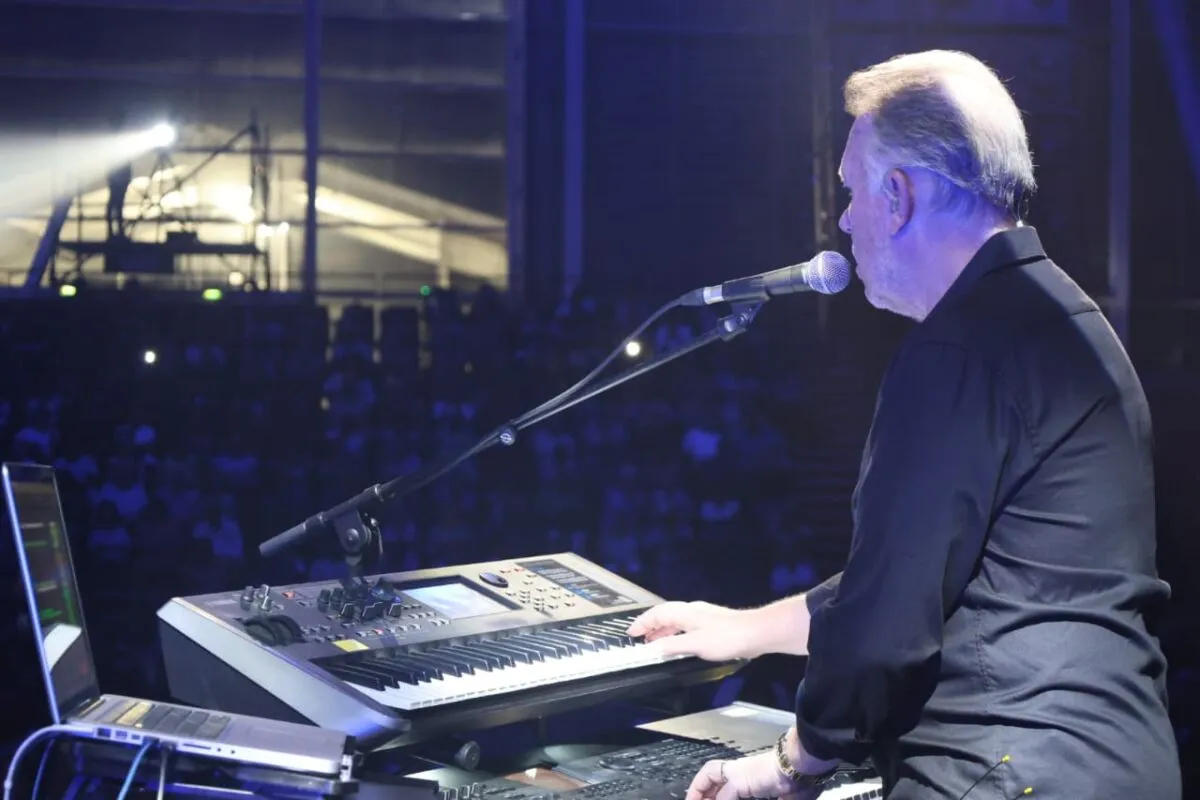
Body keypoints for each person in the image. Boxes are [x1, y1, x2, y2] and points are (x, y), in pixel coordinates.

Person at [629, 50, 1181, 800]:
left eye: (851, 190)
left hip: (1002, 768)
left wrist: (792, 764)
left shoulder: (957, 350)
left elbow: (890, 620)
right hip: (1114, 760)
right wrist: (745, 630)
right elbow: (943, 576)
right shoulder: (1067, 320)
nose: (844, 220)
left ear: (898, 195)